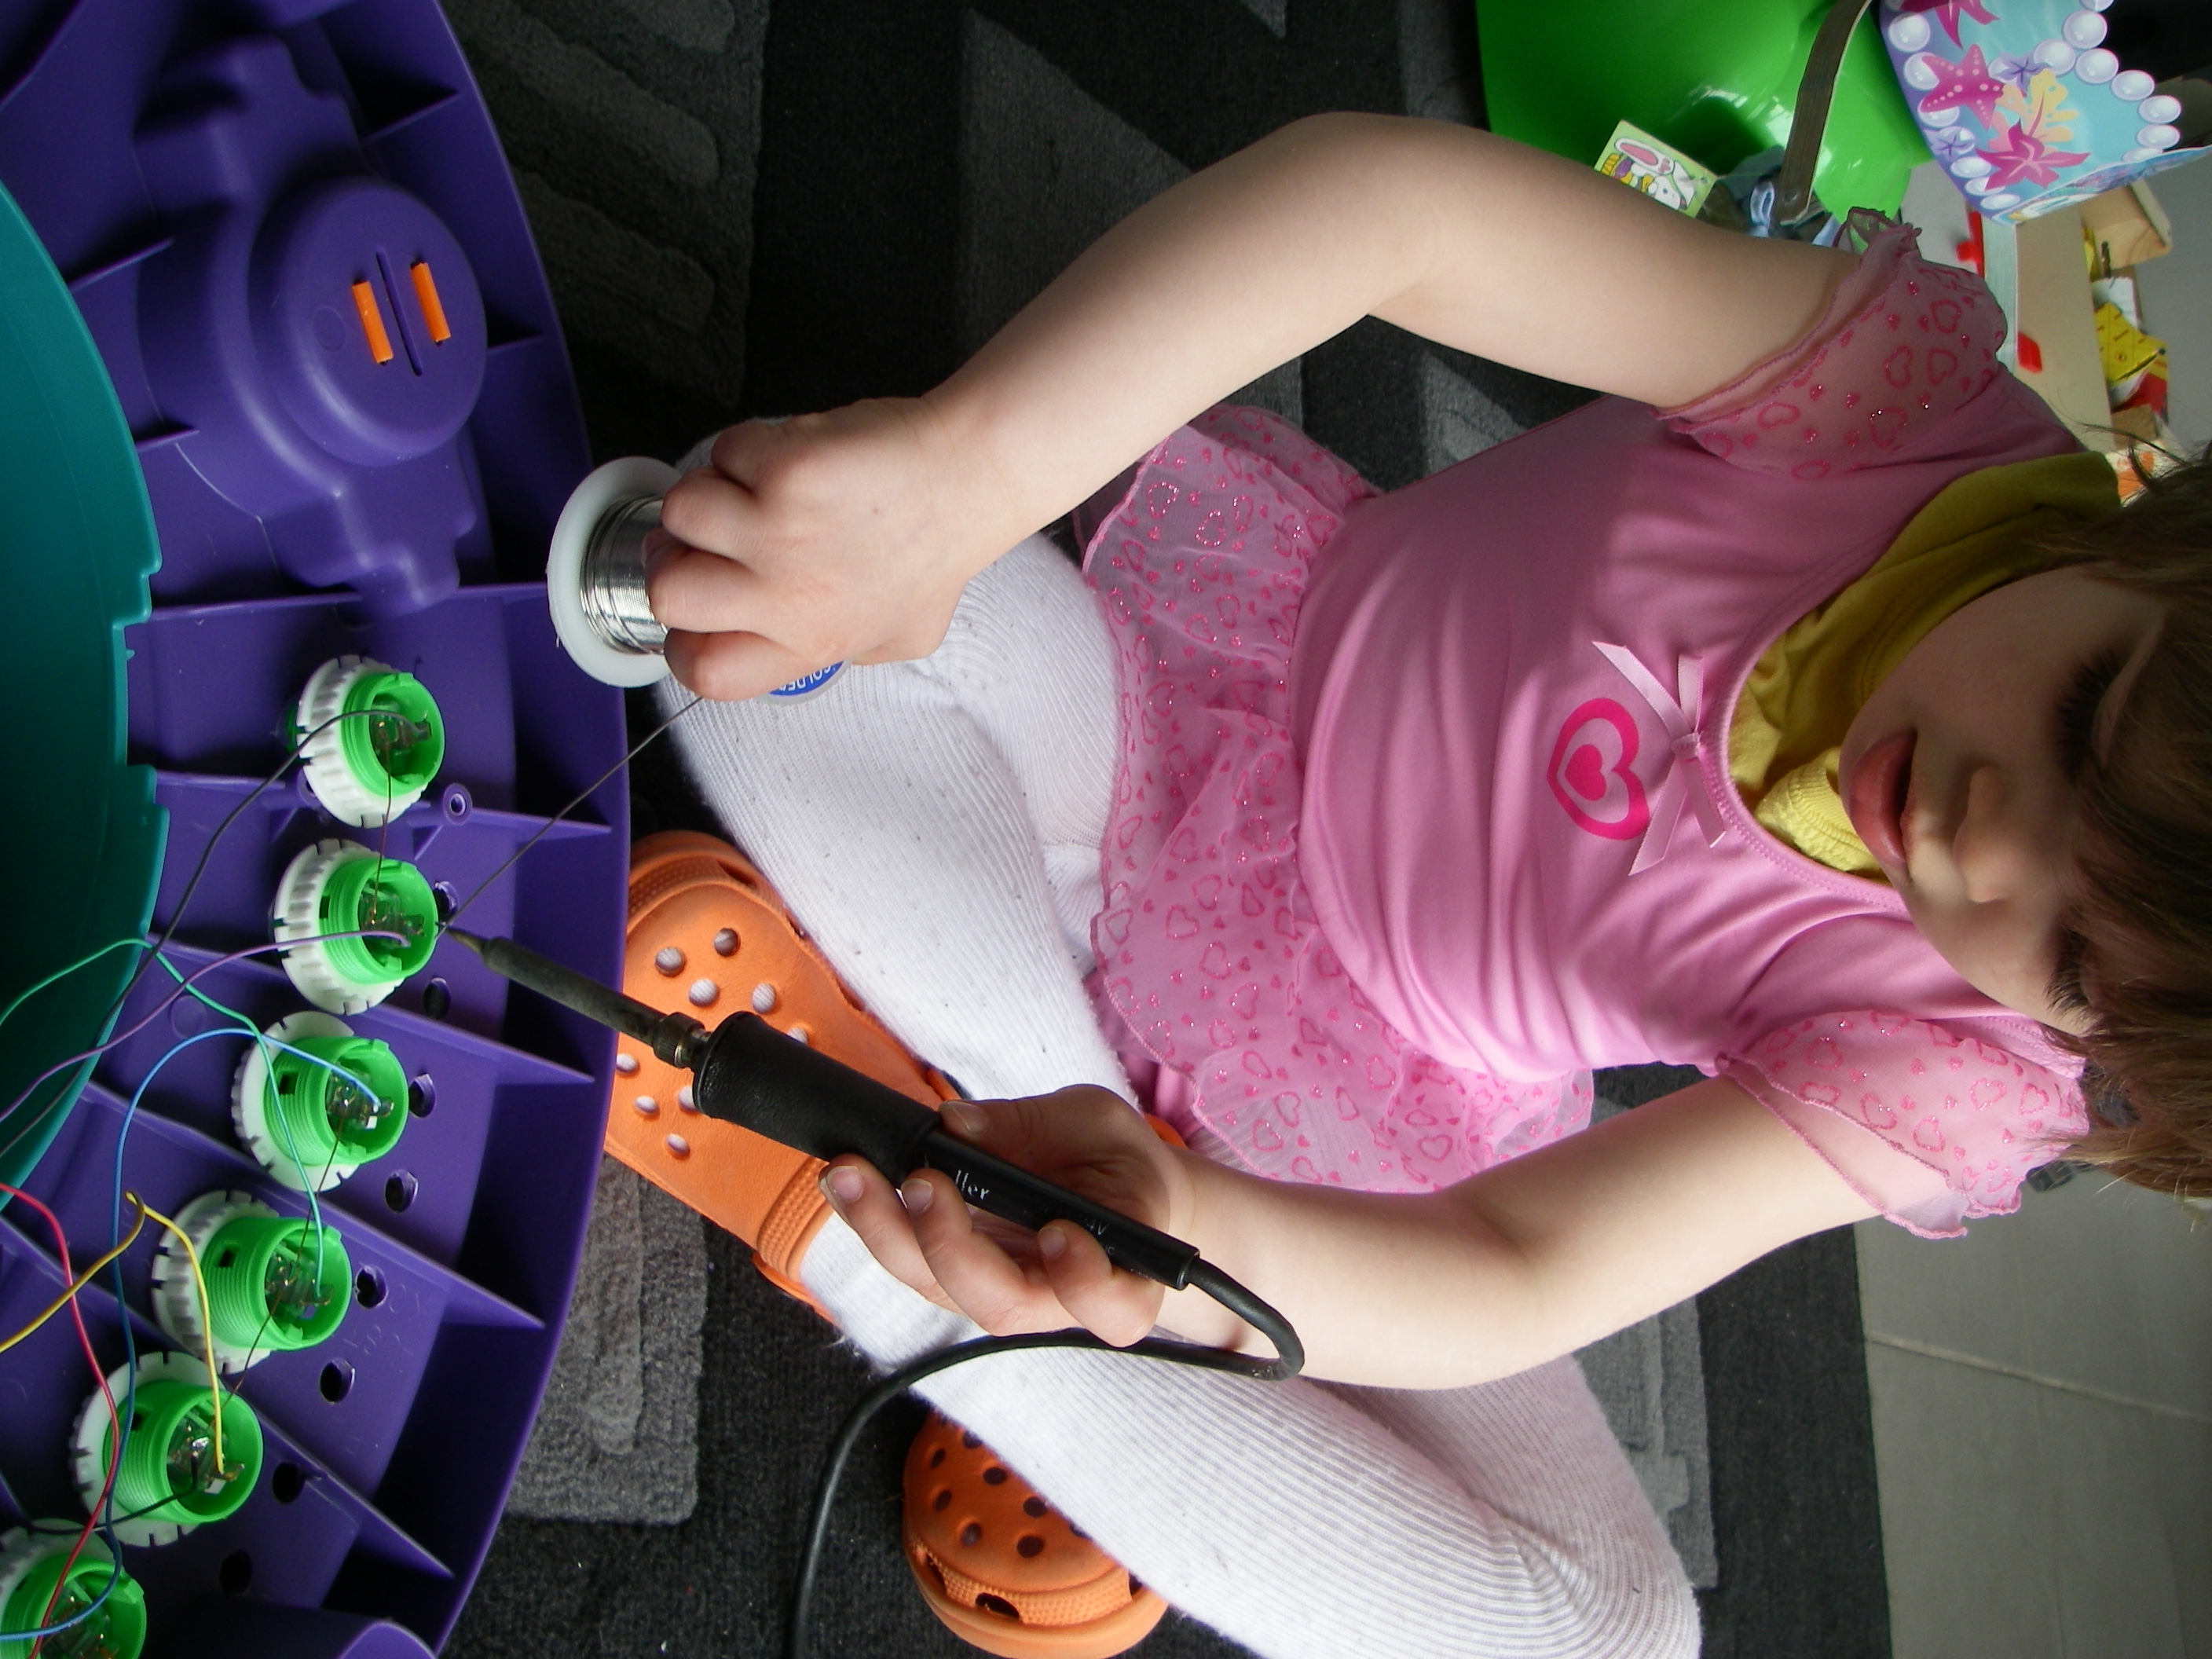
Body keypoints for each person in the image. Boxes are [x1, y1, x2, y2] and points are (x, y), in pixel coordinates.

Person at [640, 114, 2212, 1657]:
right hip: (1159, 757)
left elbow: (1516, 1269)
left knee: (1613, 1634)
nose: (1976, 843)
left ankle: (910, 1232)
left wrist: (1178, 1234)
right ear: (2170, 548)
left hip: (1357, 1122)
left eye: (2074, 961)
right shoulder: (1896, 404)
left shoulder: (1975, 1074)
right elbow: (1401, 213)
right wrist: (960, 479)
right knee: (740, 556)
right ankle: (980, 1206)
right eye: (2085, 717)